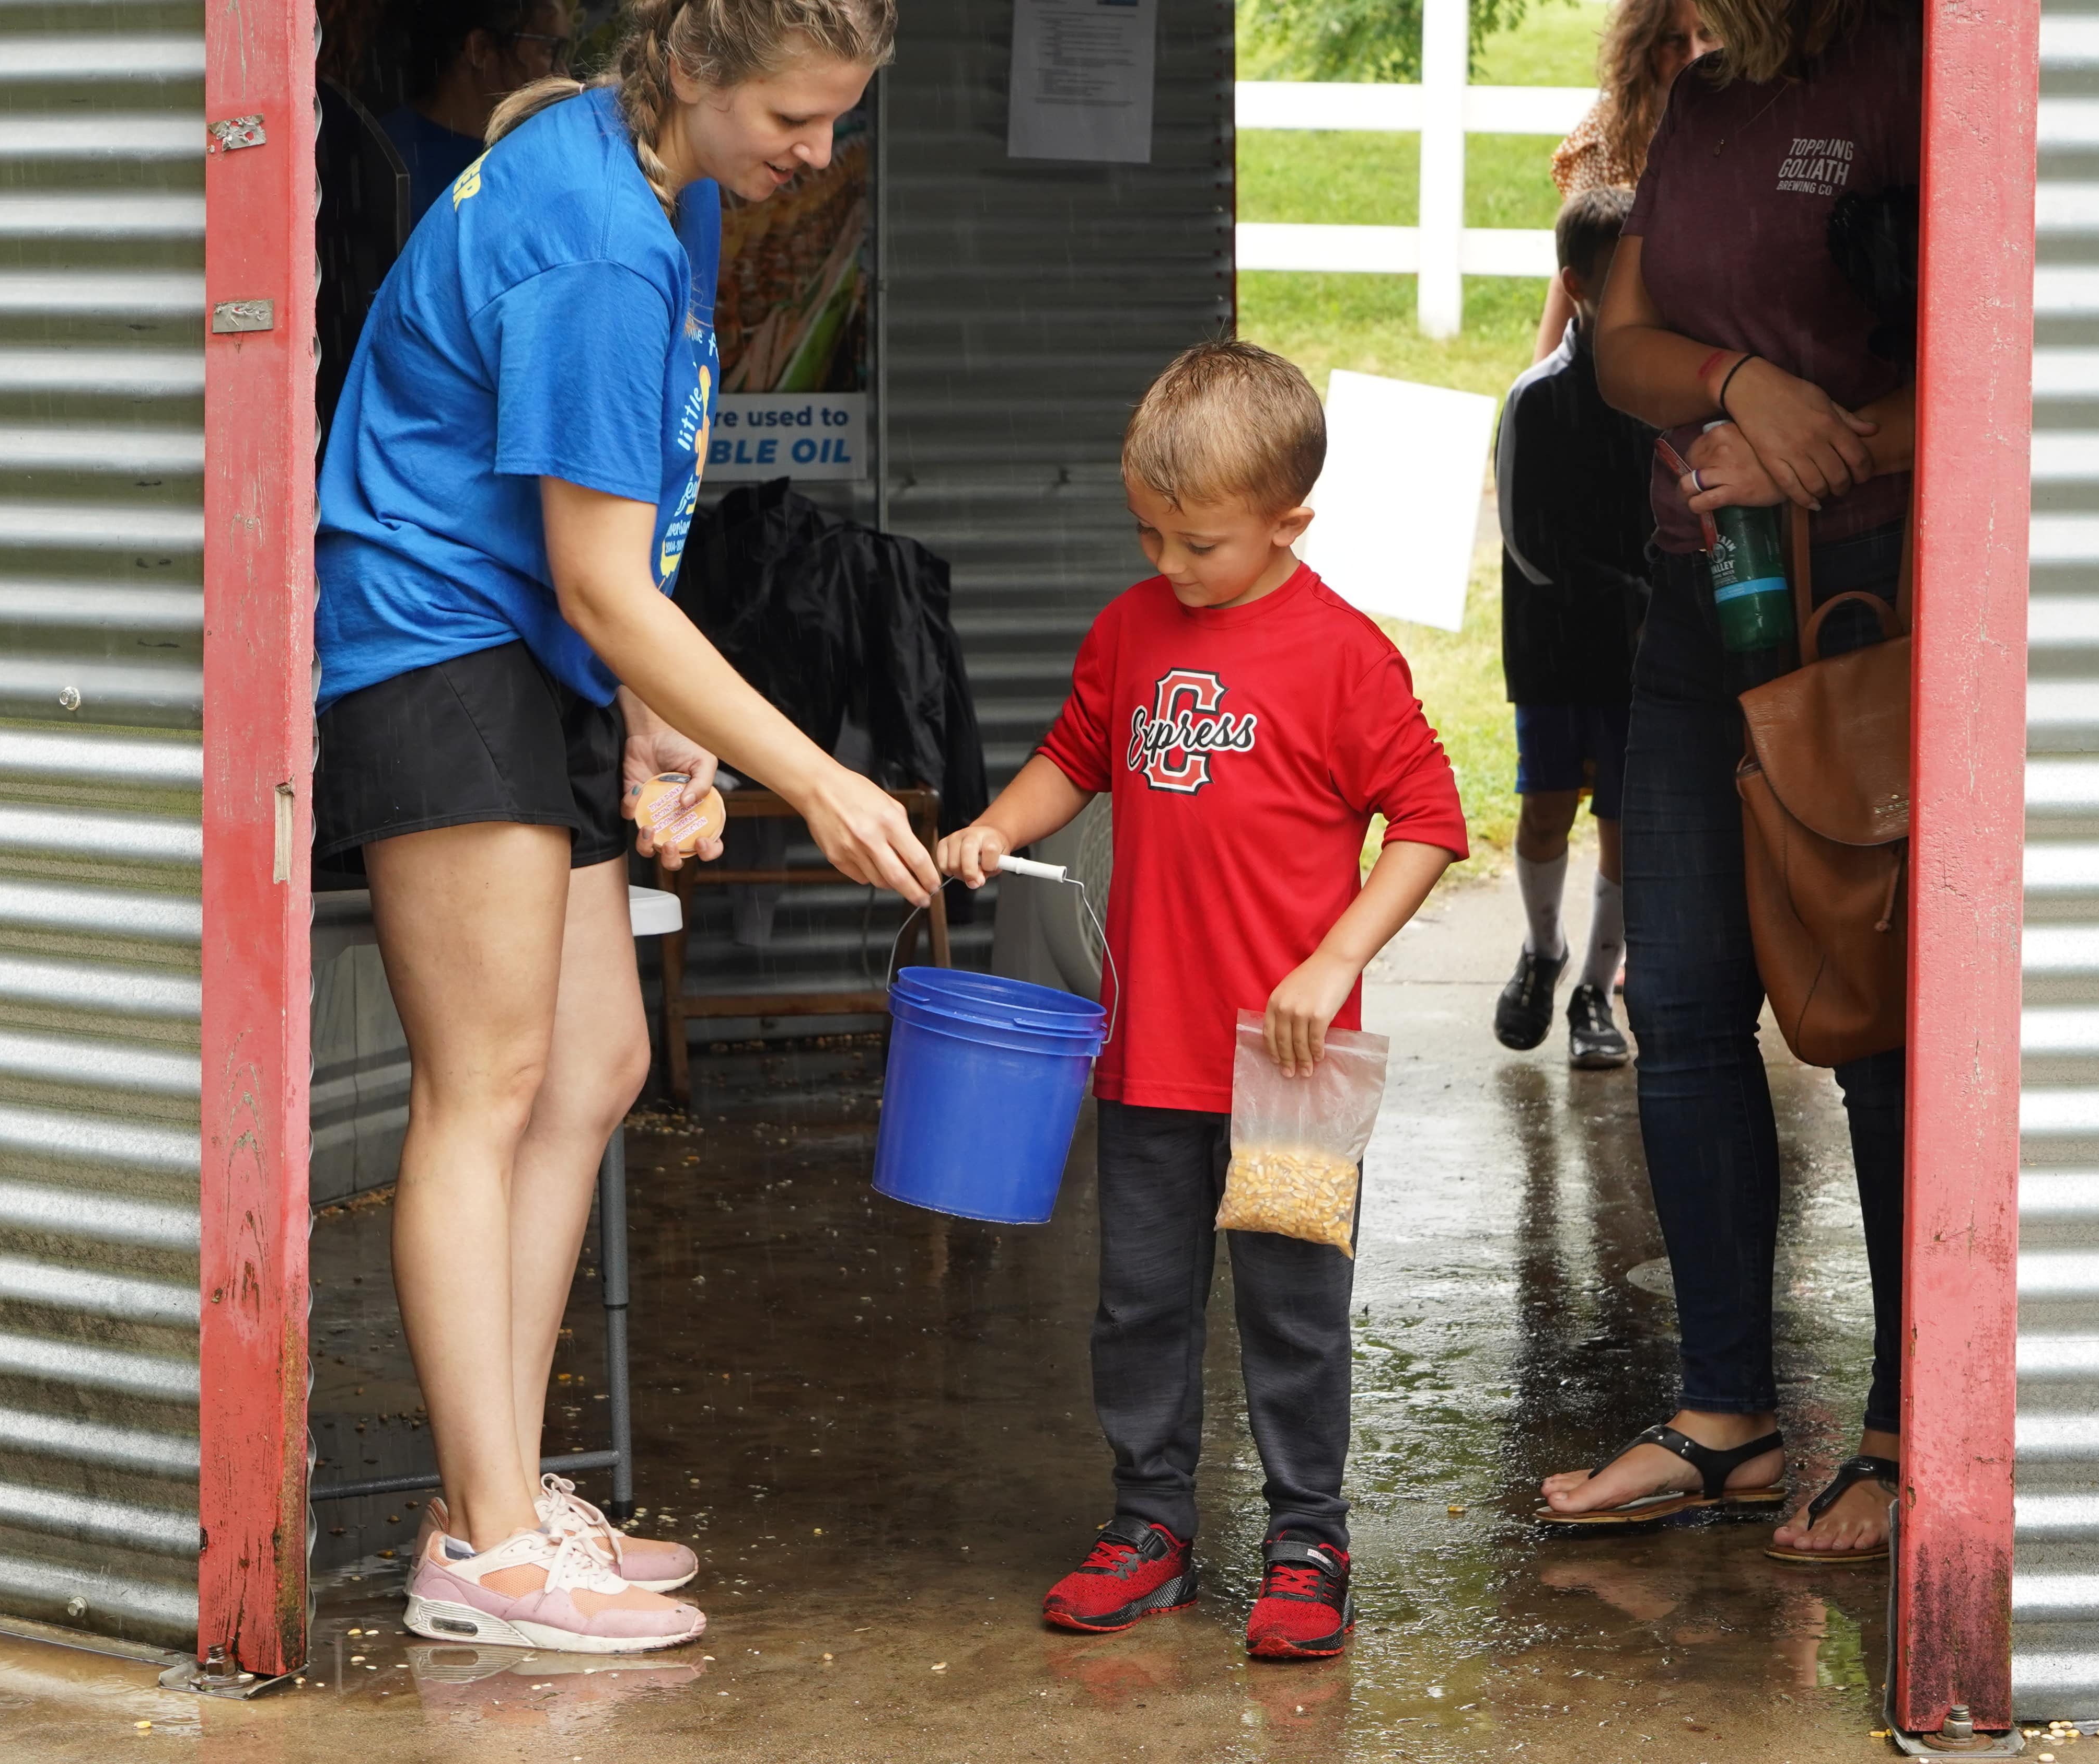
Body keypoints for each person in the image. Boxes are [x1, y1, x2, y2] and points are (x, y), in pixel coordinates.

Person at [314, 0, 935, 1653]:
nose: (819, 156)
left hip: (532, 642)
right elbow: (594, 573)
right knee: (488, 1084)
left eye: (838, 122)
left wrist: (659, 723)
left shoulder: (669, 182)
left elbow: (620, 528)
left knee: (594, 1061)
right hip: (440, 645)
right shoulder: (593, 238)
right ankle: (491, 1551)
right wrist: (813, 772)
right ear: (701, 69)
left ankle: (485, 1490)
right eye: (798, 120)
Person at [936, 342, 1466, 1662]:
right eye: (1149, 534)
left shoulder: (1344, 657)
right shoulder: (1129, 630)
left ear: (1290, 522)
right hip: (1152, 1048)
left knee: (1292, 1301)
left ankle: (1307, 1538)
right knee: (1140, 1298)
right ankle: (1149, 1524)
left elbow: (1432, 819)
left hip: (1290, 1066)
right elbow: (1075, 756)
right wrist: (998, 826)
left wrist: (1335, 956)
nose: (1169, 564)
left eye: (1200, 543)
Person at [1533, 0, 1919, 1566]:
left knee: (1872, 1011)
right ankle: (1724, 1422)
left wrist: (1818, 443)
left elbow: (2002, 357)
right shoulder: (1691, 94)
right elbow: (1616, 346)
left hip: (1864, 603)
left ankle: (1908, 1425)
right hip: (1700, 602)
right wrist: (1728, 383)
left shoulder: (1912, 68)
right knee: (1684, 1009)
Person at [1490, 184, 1656, 1071]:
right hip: (1558, 653)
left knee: (1626, 822)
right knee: (1548, 808)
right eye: (1617, 276)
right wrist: (1628, 596)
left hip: (1641, 658)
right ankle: (1544, 949)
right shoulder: (1537, 398)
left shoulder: (1662, 393)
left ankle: (1598, 984)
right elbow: (1528, 544)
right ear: (1576, 284)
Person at [1535, 0, 1719, 359]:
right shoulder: (1605, 135)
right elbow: (1578, 266)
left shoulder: (1755, 119)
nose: (1695, 53)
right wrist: (1536, 385)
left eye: (1708, 33)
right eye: (1673, 39)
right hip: (1627, 345)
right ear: (1642, 45)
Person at [385, 0, 576, 206]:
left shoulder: (524, 152)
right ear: (480, 48)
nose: (564, 75)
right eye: (549, 49)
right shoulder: (391, 158)